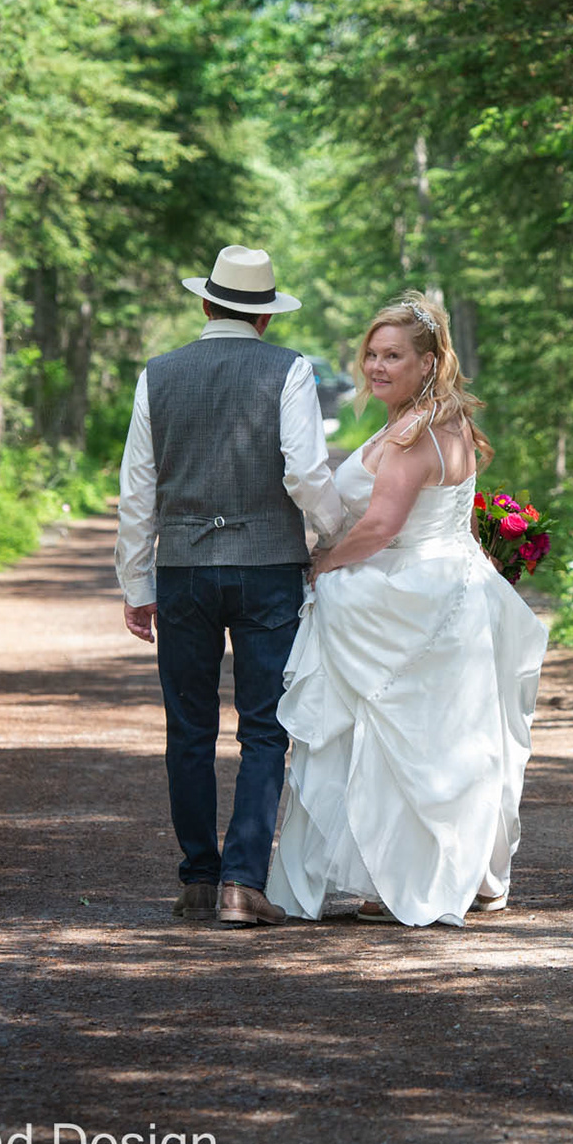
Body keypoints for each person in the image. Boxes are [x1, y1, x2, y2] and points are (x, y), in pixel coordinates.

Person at [266, 292, 548, 927]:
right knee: (449, 739)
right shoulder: (453, 424)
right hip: (455, 588)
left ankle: (396, 880)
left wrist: (323, 565)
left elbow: (380, 528)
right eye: (371, 354)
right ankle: (465, 874)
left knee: (396, 740)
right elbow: (457, 524)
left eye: (393, 356)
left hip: (408, 591)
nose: (376, 366)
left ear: (428, 362)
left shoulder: (410, 434)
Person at [115, 245, 343, 928]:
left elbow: (138, 491)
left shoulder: (158, 374)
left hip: (183, 570)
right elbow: (305, 472)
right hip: (268, 569)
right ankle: (243, 883)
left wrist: (136, 582)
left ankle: (197, 878)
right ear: (265, 317)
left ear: (206, 303)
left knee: (188, 727)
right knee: (265, 727)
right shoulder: (289, 370)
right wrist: (331, 533)